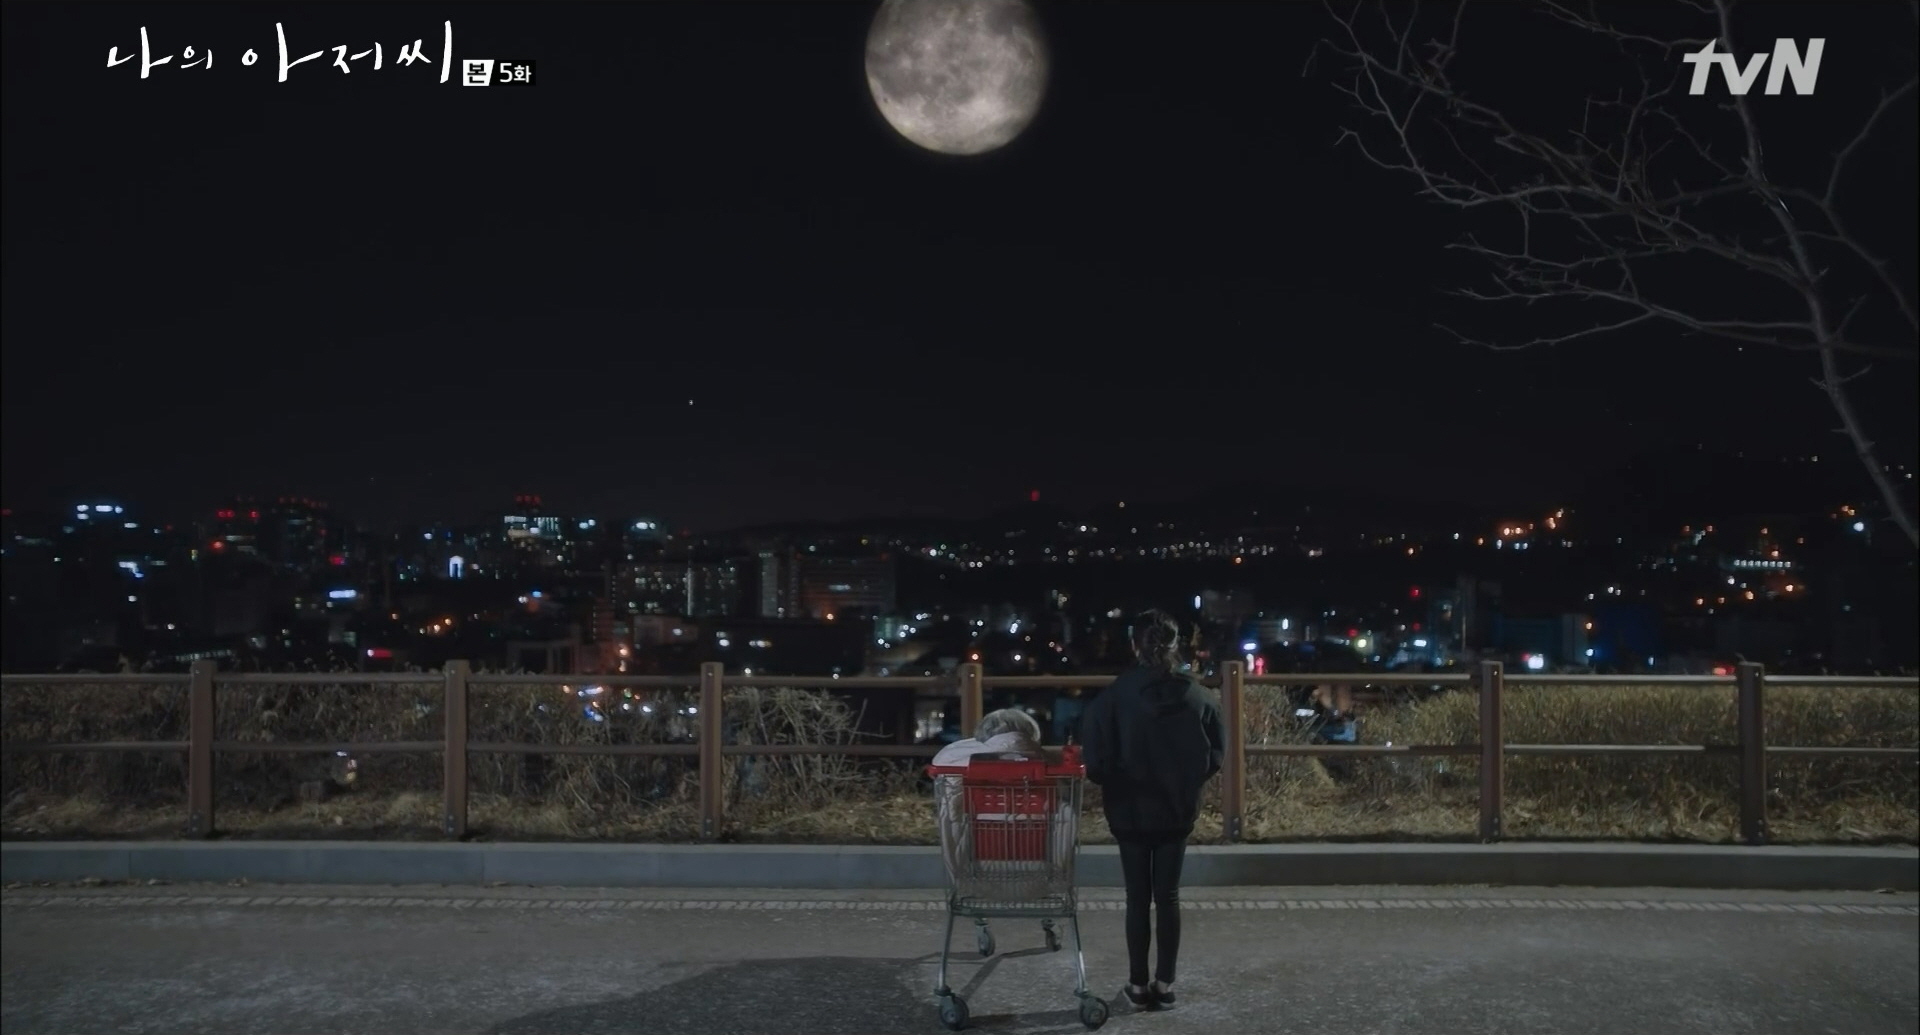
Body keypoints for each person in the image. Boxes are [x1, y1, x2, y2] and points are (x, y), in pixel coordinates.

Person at [1080, 609, 1227, 1010]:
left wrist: (1116, 778)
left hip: (1128, 809)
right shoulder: (1198, 696)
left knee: (1137, 898)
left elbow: (1095, 764)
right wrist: (1186, 780)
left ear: (1134, 645)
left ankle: (1137, 984)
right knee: (1168, 896)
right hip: (1176, 809)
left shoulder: (1113, 697)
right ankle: (1165, 984)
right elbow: (1216, 754)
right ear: (1178, 645)